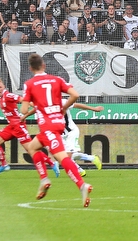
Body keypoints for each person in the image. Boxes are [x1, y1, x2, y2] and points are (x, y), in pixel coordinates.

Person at [20, 53, 93, 206]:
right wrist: (64, 108)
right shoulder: (57, 80)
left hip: (48, 127)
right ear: (44, 65)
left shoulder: (30, 84)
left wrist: (31, 104)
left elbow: (24, 109)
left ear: (30, 68)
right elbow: (75, 95)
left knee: (62, 158)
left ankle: (82, 185)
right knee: (32, 147)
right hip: (58, 124)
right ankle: (44, 179)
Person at [0, 78, 58, 176]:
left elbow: (22, 99)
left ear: (4, 87)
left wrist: (34, 105)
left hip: (18, 126)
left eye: (0, 87)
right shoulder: (1, 98)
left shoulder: (8, 95)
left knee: (31, 150)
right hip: (11, 127)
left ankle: (52, 163)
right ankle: (4, 165)